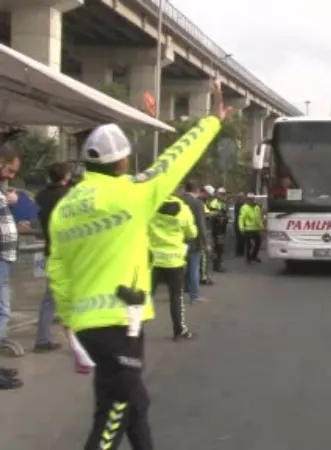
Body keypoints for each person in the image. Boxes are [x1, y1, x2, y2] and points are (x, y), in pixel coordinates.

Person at [47, 78, 229, 450]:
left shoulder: (66, 206)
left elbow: (57, 269)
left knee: (135, 402)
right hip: (119, 324)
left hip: (87, 325)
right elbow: (176, 158)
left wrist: (69, 319)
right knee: (113, 415)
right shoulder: (133, 194)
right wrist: (212, 120)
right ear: (124, 160)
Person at [32, 162, 72, 353]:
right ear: (66, 176)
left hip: (51, 248)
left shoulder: (40, 196)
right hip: (71, 251)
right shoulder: (69, 196)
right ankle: (79, 338)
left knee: (50, 297)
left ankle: (42, 338)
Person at [149, 195, 196, 340]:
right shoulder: (184, 209)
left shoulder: (151, 207)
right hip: (175, 261)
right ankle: (179, 330)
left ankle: (132, 331)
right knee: (176, 297)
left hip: (154, 260)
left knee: (145, 296)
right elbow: (192, 233)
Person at [0, 144, 22, 390]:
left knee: (3, 309)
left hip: (4, 258)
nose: (11, 175)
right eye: (10, 170)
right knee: (2, 311)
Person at [180, 181, 210, 304]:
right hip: (194, 240)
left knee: (180, 268)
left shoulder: (179, 201)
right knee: (194, 268)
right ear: (196, 189)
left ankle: (179, 293)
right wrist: (206, 241)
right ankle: (195, 296)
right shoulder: (197, 203)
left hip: (179, 239)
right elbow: (201, 224)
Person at [206, 187, 228, 272]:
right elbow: (212, 215)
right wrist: (220, 216)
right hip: (217, 228)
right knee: (218, 247)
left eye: (224, 194)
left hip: (223, 227)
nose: (223, 196)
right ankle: (216, 266)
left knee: (220, 247)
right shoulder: (214, 203)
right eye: (221, 194)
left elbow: (224, 213)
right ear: (217, 194)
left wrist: (225, 217)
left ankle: (218, 264)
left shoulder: (223, 203)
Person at [239, 193, 263, 263]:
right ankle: (248, 258)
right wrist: (241, 228)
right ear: (247, 200)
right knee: (248, 245)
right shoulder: (244, 207)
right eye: (249, 199)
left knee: (258, 243)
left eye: (252, 199)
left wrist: (261, 226)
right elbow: (241, 218)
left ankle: (254, 256)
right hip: (248, 229)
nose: (251, 200)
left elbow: (259, 218)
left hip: (255, 229)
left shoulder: (257, 207)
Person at [199, 185, 215, 285]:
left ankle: (203, 275)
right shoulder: (200, 202)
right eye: (208, 195)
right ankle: (203, 277)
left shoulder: (203, 202)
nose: (209, 197)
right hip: (202, 231)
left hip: (204, 230)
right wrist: (215, 213)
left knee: (204, 254)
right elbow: (206, 214)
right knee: (205, 253)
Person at [233, 193, 245, 257]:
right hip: (238, 224)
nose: (243, 198)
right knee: (240, 238)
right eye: (242, 197)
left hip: (238, 223)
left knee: (241, 238)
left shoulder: (239, 204)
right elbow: (239, 215)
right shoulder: (239, 205)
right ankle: (239, 252)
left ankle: (240, 252)